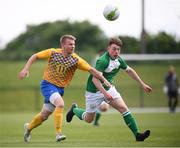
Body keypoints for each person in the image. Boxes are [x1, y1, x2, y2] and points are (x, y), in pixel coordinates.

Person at [18, 34, 111, 142]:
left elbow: (91, 70)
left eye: (74, 44)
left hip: (60, 89)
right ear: (63, 45)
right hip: (47, 85)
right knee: (60, 104)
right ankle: (58, 134)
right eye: (70, 44)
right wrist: (25, 69)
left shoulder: (76, 60)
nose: (73, 46)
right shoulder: (53, 53)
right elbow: (35, 56)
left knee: (44, 115)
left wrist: (104, 79)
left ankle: (28, 128)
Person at [66, 37, 153, 141]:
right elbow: (95, 80)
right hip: (94, 91)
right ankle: (74, 110)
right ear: (108, 48)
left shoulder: (119, 60)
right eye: (114, 49)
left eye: (118, 49)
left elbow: (129, 71)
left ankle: (137, 135)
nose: (116, 52)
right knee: (89, 119)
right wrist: (105, 94)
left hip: (108, 88)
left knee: (123, 109)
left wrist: (142, 84)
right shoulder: (102, 61)